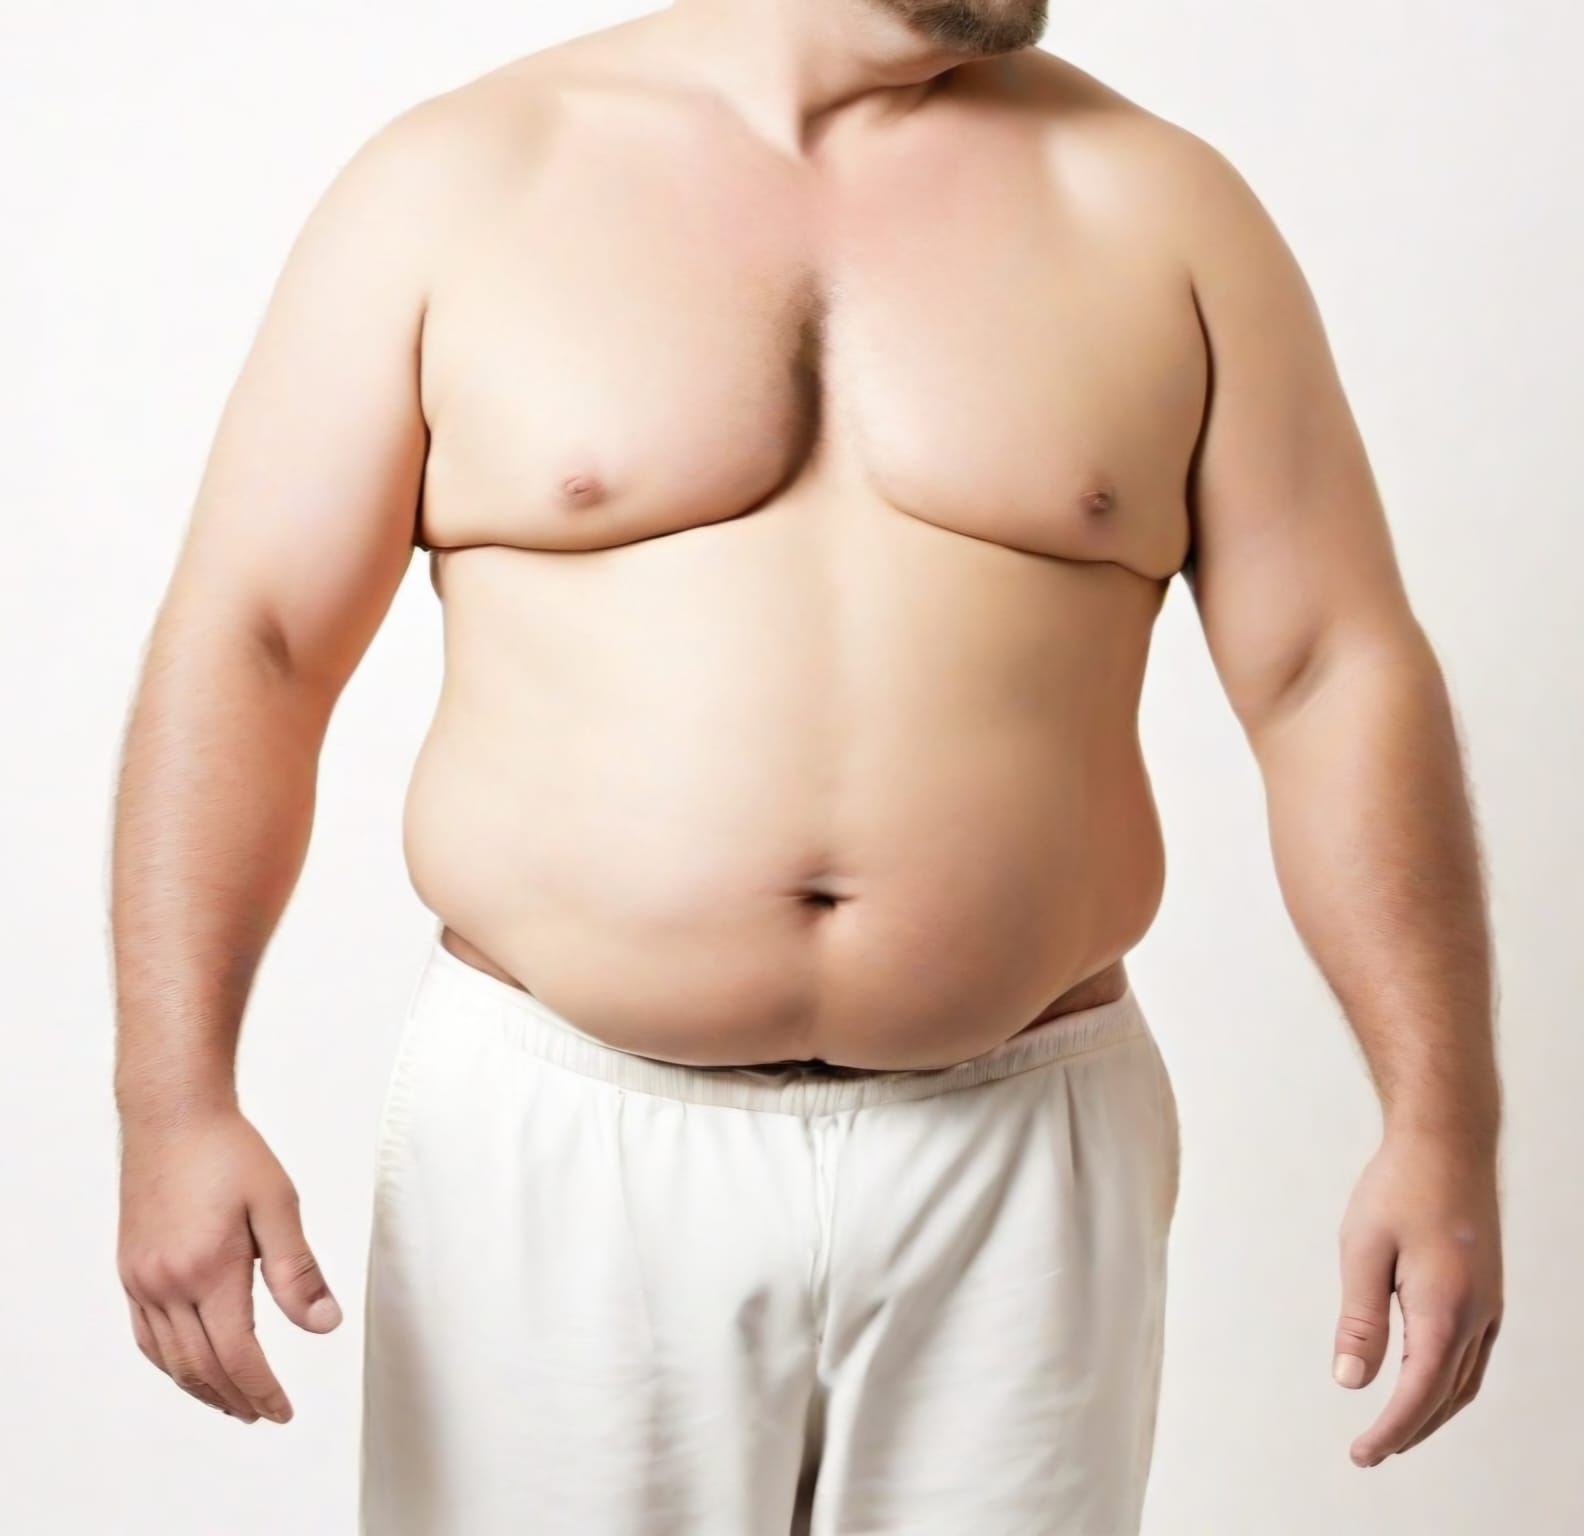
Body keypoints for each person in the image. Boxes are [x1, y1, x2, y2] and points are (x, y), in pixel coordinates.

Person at [109, 1, 1505, 1531]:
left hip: (1020, 1152)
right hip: (562, 1136)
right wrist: (172, 1106)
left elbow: (1330, 675)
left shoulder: (1160, 209)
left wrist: (1440, 1124)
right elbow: (253, 641)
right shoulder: (463, 183)